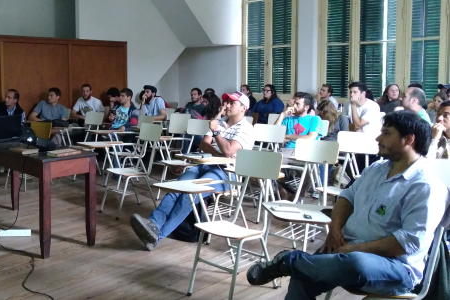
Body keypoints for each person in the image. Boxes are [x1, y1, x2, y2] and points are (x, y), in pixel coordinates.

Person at [247, 110, 449, 300]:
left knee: (354, 263)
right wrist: (334, 230)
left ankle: (289, 261)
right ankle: (294, 263)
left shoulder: (426, 186)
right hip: (347, 250)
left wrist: (355, 249)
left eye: (386, 134)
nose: (378, 139)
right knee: (305, 275)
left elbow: (408, 243)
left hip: (394, 267)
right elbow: (347, 198)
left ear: (409, 139)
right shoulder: (377, 169)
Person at [129, 92, 254, 251]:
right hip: (206, 163)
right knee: (176, 189)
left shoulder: (246, 128)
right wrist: (218, 152)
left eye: (232, 103)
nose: (226, 105)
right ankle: (153, 223)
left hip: (227, 173)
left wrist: (216, 134)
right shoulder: (220, 122)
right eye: (226, 102)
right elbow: (203, 144)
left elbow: (229, 151)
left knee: (192, 194)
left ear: (243, 108)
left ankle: (157, 235)